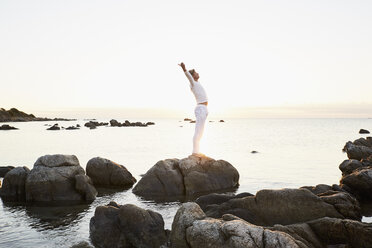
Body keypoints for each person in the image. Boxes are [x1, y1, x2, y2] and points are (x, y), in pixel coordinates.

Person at [178, 62, 209, 156]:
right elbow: (188, 76)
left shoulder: (197, 83)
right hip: (200, 108)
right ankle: (195, 152)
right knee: (198, 130)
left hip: (204, 108)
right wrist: (184, 68)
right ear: (193, 76)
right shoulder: (193, 83)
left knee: (201, 131)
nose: (197, 73)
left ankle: (197, 151)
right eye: (196, 72)